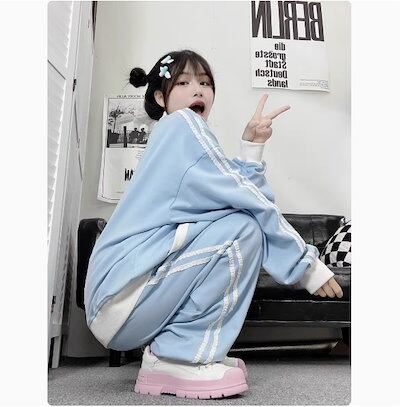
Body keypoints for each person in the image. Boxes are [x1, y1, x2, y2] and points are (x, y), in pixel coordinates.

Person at [84, 49, 343, 399]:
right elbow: (248, 200)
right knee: (243, 228)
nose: (198, 90)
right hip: (121, 299)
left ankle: (177, 350)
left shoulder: (175, 140)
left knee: (241, 224)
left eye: (205, 83)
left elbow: (240, 191)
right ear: (160, 97)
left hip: (117, 303)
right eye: (184, 83)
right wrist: (307, 266)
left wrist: (251, 147)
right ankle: (178, 356)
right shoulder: (182, 125)